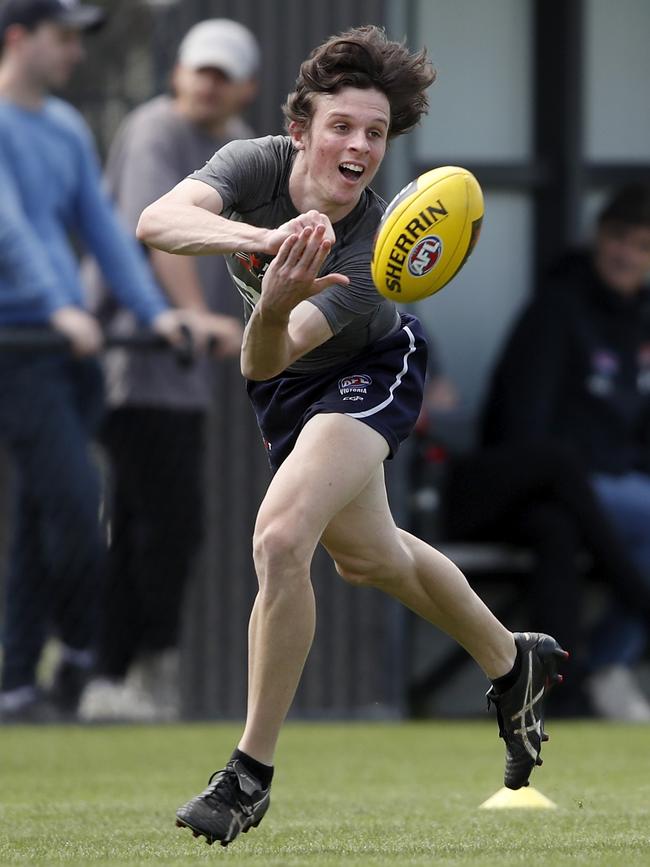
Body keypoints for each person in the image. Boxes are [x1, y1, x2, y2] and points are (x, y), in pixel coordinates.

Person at [137, 25, 567, 847]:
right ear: (301, 128)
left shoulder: (376, 250)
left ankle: (248, 773)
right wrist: (267, 246)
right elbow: (159, 221)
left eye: (375, 132)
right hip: (288, 380)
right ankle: (516, 663)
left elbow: (274, 347)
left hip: (371, 367)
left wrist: (279, 295)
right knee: (370, 556)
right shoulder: (256, 165)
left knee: (281, 534)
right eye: (342, 125)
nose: (360, 145)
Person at [0, 0, 191, 722]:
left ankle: (17, 684)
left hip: (70, 343)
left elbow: (107, 234)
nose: (75, 53)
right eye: (63, 37)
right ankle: (80, 654)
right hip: (20, 345)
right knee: (81, 508)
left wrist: (157, 314)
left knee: (38, 517)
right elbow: (9, 227)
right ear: (19, 38)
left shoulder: (66, 128)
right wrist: (59, 306)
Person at [77, 18, 259, 723]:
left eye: (223, 74)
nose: (207, 84)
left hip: (182, 368)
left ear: (245, 85)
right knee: (157, 521)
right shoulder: (155, 128)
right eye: (199, 69)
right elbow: (161, 235)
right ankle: (132, 669)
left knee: (146, 519)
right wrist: (193, 319)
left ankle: (116, 675)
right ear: (177, 72)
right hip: (134, 355)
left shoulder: (241, 145)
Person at [480, 182, 650, 722]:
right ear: (599, 236)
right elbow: (524, 428)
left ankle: (607, 666)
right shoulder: (557, 309)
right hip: (566, 484)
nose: (627, 254)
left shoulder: (643, 321)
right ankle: (607, 668)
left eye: (644, 245)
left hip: (625, 487)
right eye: (619, 237)